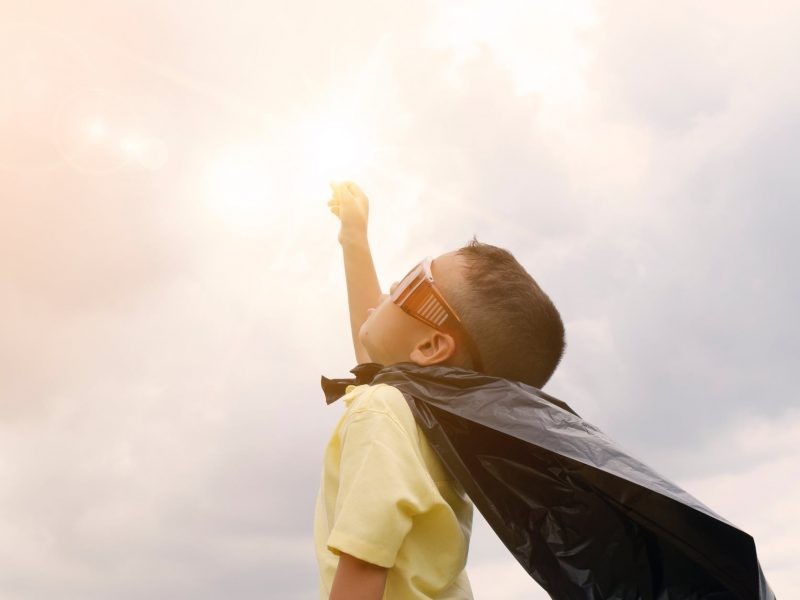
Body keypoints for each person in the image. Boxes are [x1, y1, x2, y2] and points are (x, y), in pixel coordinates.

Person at [315, 181, 566, 600]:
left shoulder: (383, 410)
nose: (395, 283)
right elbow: (374, 348)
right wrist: (354, 238)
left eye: (413, 283)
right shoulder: (432, 418)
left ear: (431, 345)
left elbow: (363, 566)